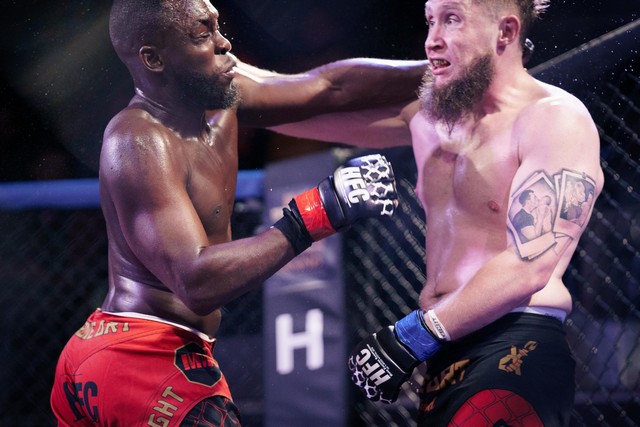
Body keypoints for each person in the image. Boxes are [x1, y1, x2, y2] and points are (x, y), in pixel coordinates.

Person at [48, 1, 431, 425]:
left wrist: (447, 69)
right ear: (154, 59)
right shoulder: (138, 138)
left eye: (217, 27)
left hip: (141, 351)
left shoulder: (223, 97)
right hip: (141, 353)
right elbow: (196, 281)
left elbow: (328, 86)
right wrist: (318, 213)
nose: (223, 43)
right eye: (202, 35)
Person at [271, 0, 604, 425]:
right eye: (430, 21)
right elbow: (289, 111)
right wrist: (217, 92)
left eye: (452, 19)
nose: (432, 40)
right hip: (442, 351)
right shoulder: (428, 121)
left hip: (515, 343)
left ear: (505, 31)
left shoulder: (554, 119)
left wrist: (414, 335)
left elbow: (530, 264)